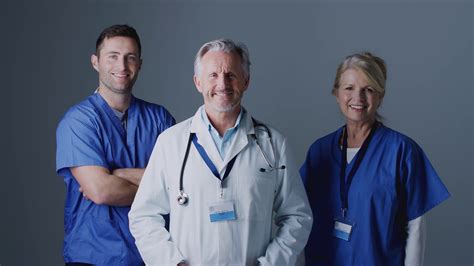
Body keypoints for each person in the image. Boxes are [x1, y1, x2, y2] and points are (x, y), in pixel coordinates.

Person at [129, 39, 313, 266]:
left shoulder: (273, 145)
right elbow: (143, 216)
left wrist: (270, 264)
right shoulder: (171, 143)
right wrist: (170, 263)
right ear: (198, 82)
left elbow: (297, 217)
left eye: (231, 75)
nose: (222, 83)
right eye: (213, 75)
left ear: (246, 81)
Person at [300, 52, 450, 266]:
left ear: (380, 96)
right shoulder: (319, 152)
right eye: (349, 88)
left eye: (368, 90)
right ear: (336, 93)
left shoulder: (401, 151)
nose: (358, 98)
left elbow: (416, 227)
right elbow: (299, 217)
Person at [56, 24, 175, 265]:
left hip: (152, 254)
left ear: (139, 64)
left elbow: (183, 182)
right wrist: (161, 191)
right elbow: (102, 191)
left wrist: (119, 175)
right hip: (94, 254)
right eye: (112, 57)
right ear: (95, 62)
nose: (122, 66)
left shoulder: (160, 119)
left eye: (130, 58)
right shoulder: (78, 121)